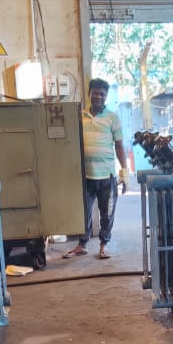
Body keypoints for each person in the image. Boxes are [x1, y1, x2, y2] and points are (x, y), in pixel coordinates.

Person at [66, 78, 127, 259]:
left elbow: (119, 147)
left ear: (106, 96)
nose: (99, 96)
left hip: (107, 176)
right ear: (90, 94)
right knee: (83, 212)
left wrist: (124, 173)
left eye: (102, 94)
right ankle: (82, 244)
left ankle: (104, 245)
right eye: (96, 93)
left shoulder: (112, 118)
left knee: (107, 213)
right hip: (86, 176)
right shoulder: (80, 117)